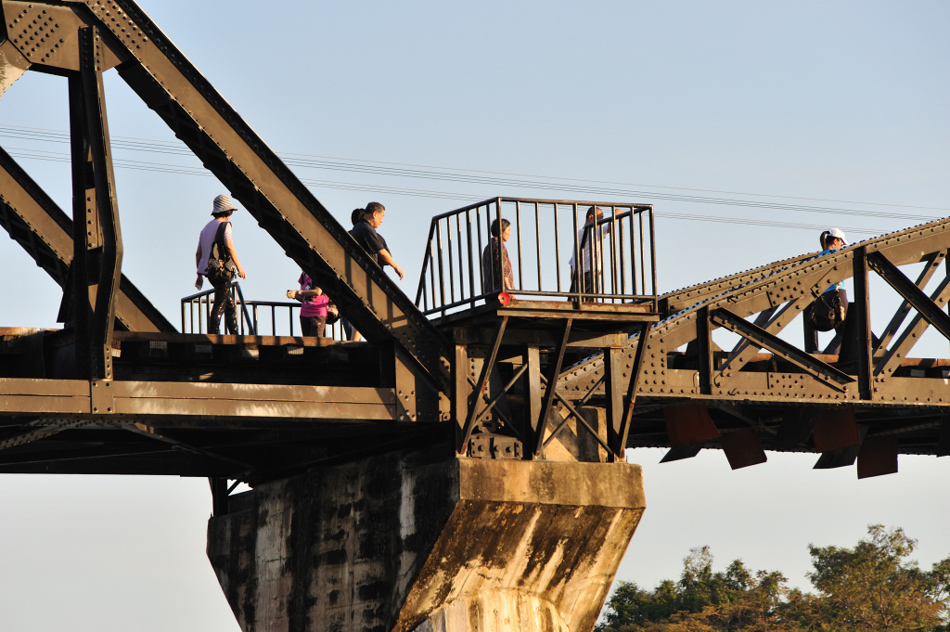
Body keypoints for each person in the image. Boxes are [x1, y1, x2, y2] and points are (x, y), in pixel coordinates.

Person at [195, 194, 247, 334]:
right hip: (222, 271)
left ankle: (234, 333)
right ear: (228, 211)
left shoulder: (205, 228)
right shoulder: (225, 225)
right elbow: (229, 246)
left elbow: (198, 253)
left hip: (210, 273)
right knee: (220, 303)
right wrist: (239, 267)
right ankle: (213, 333)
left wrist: (199, 275)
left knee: (229, 304)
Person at [804, 227, 849, 354]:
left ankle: (830, 354)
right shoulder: (836, 254)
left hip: (824, 296)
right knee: (846, 331)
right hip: (838, 294)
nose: (841, 245)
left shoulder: (819, 257)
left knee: (841, 330)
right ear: (835, 241)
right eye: (841, 242)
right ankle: (829, 356)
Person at [349, 202, 405, 280]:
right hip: (365, 275)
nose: (381, 221)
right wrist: (396, 267)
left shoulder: (357, 228)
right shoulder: (366, 228)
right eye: (382, 217)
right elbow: (381, 251)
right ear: (375, 214)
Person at [568, 206, 614, 300]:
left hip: (579, 278)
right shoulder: (591, 232)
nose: (602, 220)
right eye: (601, 217)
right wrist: (617, 213)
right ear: (591, 218)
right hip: (589, 276)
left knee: (582, 306)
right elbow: (611, 227)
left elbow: (572, 265)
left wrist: (574, 283)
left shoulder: (580, 234)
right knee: (590, 305)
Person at [287, 271, 330, 337]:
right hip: (305, 313)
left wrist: (298, 292)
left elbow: (318, 291)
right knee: (307, 341)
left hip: (317, 313)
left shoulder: (317, 274)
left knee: (316, 342)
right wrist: (294, 295)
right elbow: (303, 297)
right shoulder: (303, 276)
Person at [481, 218, 514, 293]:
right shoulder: (499, 246)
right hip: (501, 292)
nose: (509, 234)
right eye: (508, 230)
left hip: (489, 292)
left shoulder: (488, 247)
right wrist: (508, 288)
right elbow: (502, 268)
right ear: (501, 230)